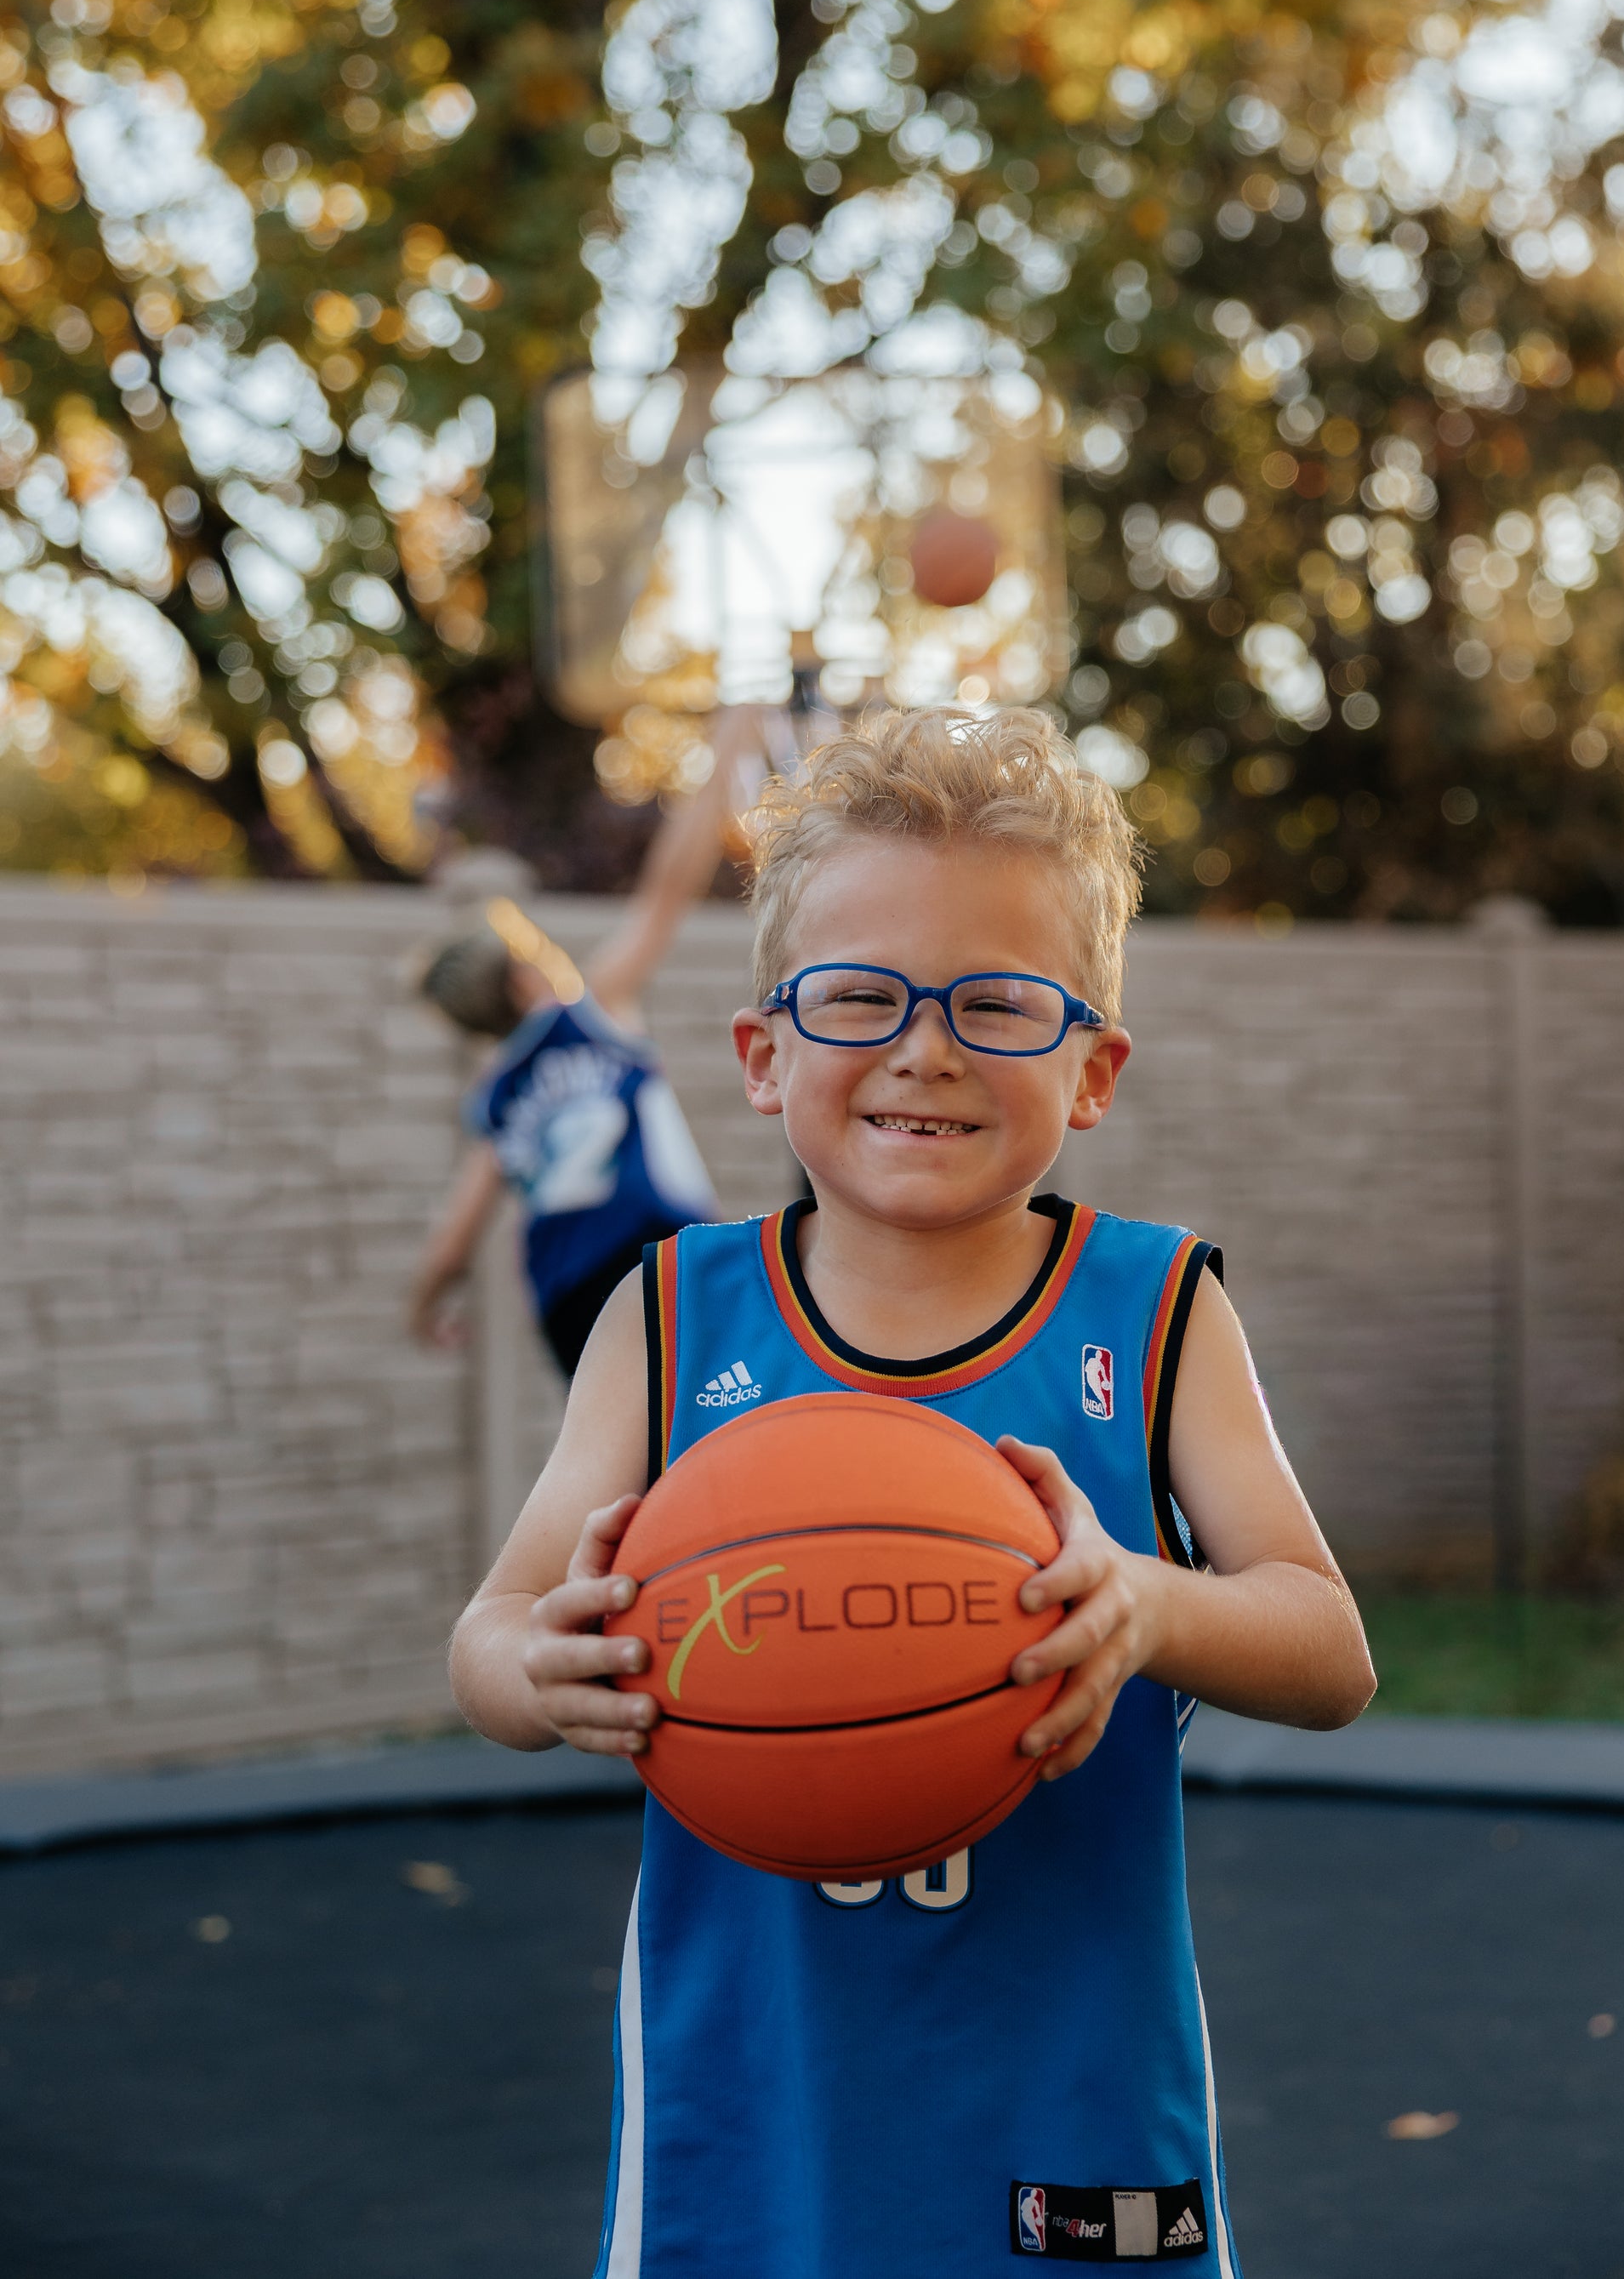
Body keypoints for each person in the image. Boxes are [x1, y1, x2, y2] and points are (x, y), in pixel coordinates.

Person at [449, 706, 1376, 2279]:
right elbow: (492, 1630)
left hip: (1072, 2101)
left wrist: (1145, 1604)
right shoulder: (671, 1317)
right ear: (761, 1055)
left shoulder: (1154, 1315)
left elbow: (1330, 1649)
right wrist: (540, 1674)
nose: (924, 1047)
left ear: (1092, 1070)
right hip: (744, 2112)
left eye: (1000, 1004)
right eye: (861, 996)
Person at [410, 707, 765, 1378]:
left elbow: (454, 1240)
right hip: (657, 1260)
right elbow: (668, 887)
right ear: (521, 976)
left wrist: (425, 1306)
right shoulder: (593, 1010)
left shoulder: (499, 1100)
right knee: (721, 1425)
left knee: (631, 1457)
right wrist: (727, 750)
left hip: (568, 1298)